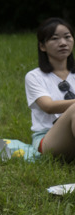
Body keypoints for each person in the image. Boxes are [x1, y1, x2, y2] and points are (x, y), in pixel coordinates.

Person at [25, 17, 75, 161]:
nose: (63, 43)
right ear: (42, 46)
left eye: (67, 37)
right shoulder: (34, 76)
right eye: (55, 39)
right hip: (48, 140)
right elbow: (48, 106)